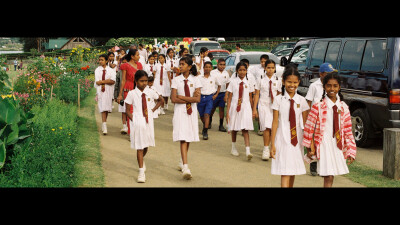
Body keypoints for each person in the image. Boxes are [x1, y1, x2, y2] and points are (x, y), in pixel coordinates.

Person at [303, 72, 356, 187]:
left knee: (332, 175)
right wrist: (309, 146)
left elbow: (347, 130)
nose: (332, 89)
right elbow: (309, 128)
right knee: (328, 175)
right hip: (323, 144)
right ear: (324, 87)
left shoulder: (344, 107)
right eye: (329, 86)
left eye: (335, 86)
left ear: (339, 87)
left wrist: (351, 150)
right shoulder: (318, 106)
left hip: (337, 144)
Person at [270, 64, 309, 187]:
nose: (292, 85)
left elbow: (306, 124)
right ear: (283, 81)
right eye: (289, 82)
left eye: (295, 82)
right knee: (284, 171)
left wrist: (309, 144)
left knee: (293, 171)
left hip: (297, 140)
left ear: (299, 82)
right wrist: (273, 144)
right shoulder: (278, 100)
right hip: (282, 139)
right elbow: (275, 122)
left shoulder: (302, 101)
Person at [124, 70, 164, 183]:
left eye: (146, 81)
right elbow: (127, 110)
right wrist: (134, 120)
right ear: (136, 81)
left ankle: (142, 160)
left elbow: (160, 100)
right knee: (140, 146)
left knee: (146, 145)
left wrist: (152, 110)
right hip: (138, 120)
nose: (144, 83)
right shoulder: (132, 93)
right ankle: (141, 171)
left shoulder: (150, 92)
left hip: (148, 120)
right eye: (142, 81)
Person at [170, 56, 202, 180]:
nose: (181, 66)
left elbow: (197, 99)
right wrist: (190, 99)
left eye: (183, 64)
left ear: (189, 66)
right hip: (180, 112)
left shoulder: (196, 80)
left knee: (188, 137)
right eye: (180, 64)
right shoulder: (176, 80)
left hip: (191, 112)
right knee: (183, 138)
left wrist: (182, 97)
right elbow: (173, 99)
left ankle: (182, 160)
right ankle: (186, 166)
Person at [305, 62, 337, 176]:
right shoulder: (314, 86)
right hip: (315, 119)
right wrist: (308, 119)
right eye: (329, 73)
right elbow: (308, 102)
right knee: (314, 143)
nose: (331, 76)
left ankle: (324, 167)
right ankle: (313, 165)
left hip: (327, 120)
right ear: (321, 74)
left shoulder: (332, 87)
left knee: (325, 143)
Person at [252, 59, 282, 161]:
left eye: (272, 68)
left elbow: (279, 94)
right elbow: (256, 94)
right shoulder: (260, 79)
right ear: (265, 68)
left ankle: (271, 148)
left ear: (275, 69)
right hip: (263, 104)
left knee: (273, 128)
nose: (270, 70)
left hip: (274, 106)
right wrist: (254, 109)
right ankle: (265, 148)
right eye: (268, 67)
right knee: (266, 127)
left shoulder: (278, 80)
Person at [226, 61, 255, 160]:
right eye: (240, 70)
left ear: (247, 71)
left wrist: (252, 110)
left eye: (244, 70)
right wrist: (228, 112)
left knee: (245, 129)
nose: (242, 72)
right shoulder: (233, 82)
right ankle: (233, 147)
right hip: (235, 106)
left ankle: (248, 151)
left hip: (245, 107)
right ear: (237, 71)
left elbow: (251, 97)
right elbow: (229, 97)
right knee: (234, 128)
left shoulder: (249, 82)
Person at [117, 49, 144, 135]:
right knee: (130, 110)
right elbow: (123, 80)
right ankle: (131, 132)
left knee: (138, 110)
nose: (139, 57)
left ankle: (137, 130)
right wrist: (120, 94)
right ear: (132, 56)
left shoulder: (139, 65)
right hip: (128, 89)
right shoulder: (125, 66)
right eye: (137, 55)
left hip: (138, 89)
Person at [197, 61, 221, 140]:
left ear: (211, 68)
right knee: (202, 115)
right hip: (201, 97)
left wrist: (216, 94)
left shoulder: (213, 77)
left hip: (210, 98)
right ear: (203, 68)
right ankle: (205, 124)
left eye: (209, 67)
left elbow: (219, 85)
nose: (207, 68)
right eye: (206, 67)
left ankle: (205, 131)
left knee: (207, 114)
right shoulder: (199, 78)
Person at [94, 54, 116, 135]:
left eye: (102, 60)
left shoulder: (111, 70)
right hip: (101, 91)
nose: (100, 61)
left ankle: (104, 122)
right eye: (99, 60)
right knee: (102, 107)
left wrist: (102, 81)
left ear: (106, 61)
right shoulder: (97, 70)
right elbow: (97, 81)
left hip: (109, 91)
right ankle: (104, 125)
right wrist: (107, 81)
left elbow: (112, 81)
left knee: (106, 108)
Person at [210, 58, 230, 132]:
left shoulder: (226, 73)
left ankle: (221, 125)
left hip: (223, 93)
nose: (222, 66)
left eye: (224, 65)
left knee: (222, 109)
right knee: (212, 108)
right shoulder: (213, 72)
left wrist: (227, 95)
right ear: (217, 65)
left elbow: (228, 84)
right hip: (214, 93)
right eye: (220, 64)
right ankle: (209, 121)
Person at [114, 55, 129, 134]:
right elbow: (117, 84)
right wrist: (116, 96)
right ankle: (124, 125)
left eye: (126, 63)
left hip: (130, 93)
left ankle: (130, 126)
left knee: (130, 111)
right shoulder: (119, 72)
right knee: (123, 111)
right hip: (122, 94)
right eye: (122, 63)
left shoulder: (132, 71)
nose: (124, 64)